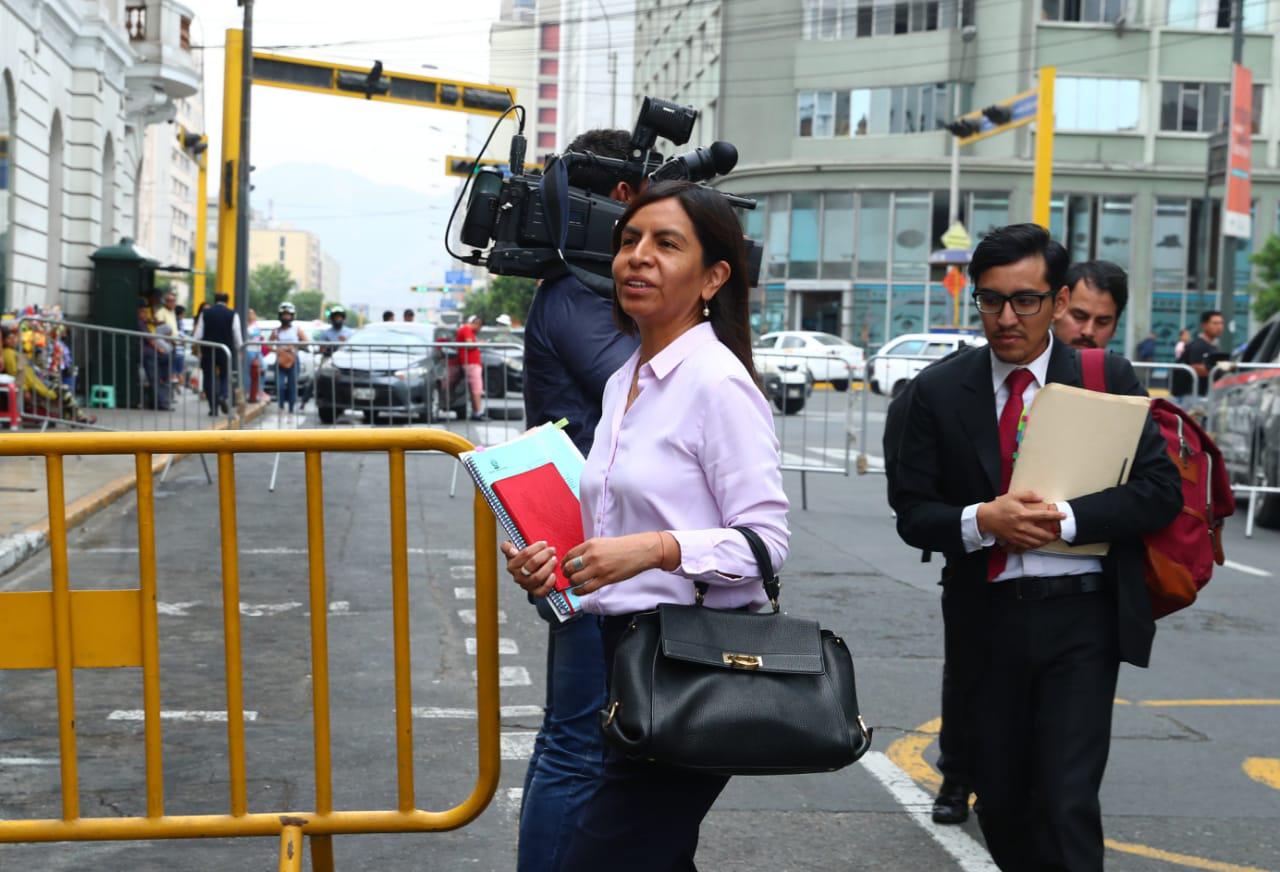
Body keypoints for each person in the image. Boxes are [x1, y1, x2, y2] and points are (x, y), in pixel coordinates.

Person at [504, 181, 790, 871]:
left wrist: (656, 551)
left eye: (666, 244)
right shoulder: (623, 379)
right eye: (629, 241)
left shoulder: (717, 384)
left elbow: (766, 545)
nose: (638, 257)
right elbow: (606, 529)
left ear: (714, 277)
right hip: (618, 661)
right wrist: (548, 567)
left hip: (689, 672)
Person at [892, 223, 1181, 871]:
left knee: (1066, 796)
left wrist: (1067, 519)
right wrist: (982, 520)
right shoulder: (939, 392)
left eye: (1025, 300)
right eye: (990, 300)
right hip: (985, 619)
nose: (1006, 317)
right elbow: (913, 512)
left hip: (1082, 617)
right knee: (1004, 801)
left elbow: (1160, 490)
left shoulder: (1104, 378)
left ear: (1056, 300)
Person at [512, 127, 642, 872]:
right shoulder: (576, 297)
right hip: (592, 548)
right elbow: (642, 387)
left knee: (590, 741)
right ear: (621, 197)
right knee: (577, 746)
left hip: (608, 545)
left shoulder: (583, 293)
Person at [2, 324, 94, 425]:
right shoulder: (8, 354)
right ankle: (78, 417)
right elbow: (15, 373)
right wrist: (24, 390)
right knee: (63, 390)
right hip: (34, 387)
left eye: (15, 337)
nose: (14, 340)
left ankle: (74, 417)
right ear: (4, 340)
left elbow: (25, 370)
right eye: (10, 338)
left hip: (38, 383)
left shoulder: (16, 352)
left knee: (62, 388)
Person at [1052, 259, 1126, 350]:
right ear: (1057, 309)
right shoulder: (1031, 361)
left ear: (1114, 328)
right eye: (1079, 316)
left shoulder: (1120, 364)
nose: (1088, 331)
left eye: (1102, 322)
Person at [193, 292, 242, 416]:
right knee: (225, 375)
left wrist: (196, 348)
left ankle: (213, 408)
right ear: (227, 301)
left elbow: (197, 335)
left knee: (208, 377)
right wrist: (239, 349)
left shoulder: (205, 313)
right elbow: (237, 335)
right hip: (226, 350)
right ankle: (223, 395)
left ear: (215, 300)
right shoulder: (233, 314)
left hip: (208, 350)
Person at [1173, 310, 1224, 403]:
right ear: (1204, 325)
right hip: (1191, 396)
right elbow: (1195, 368)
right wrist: (1219, 369)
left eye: (1221, 323)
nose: (1219, 326)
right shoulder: (1198, 345)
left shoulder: (1213, 345)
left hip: (1202, 394)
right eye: (1215, 323)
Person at [270, 301, 307, 416]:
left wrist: (294, 347)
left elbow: (306, 342)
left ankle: (291, 409)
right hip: (280, 361)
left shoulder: (297, 330)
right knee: (279, 385)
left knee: (292, 385)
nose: (286, 317)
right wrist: (278, 350)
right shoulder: (276, 331)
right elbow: (268, 345)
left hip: (293, 360)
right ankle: (281, 407)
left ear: (292, 316)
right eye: (284, 314)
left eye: (288, 315)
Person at [137, 297, 172, 411]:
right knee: (154, 378)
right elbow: (150, 340)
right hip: (148, 354)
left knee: (158, 376)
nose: (145, 314)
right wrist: (160, 349)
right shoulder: (139, 323)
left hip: (151, 353)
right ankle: (161, 403)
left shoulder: (144, 322)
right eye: (143, 312)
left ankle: (161, 399)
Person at [453, 314, 485, 421]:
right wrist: (479, 343)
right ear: (477, 324)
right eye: (479, 326)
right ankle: (478, 412)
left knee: (474, 389)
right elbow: (469, 345)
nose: (479, 329)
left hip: (470, 362)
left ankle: (476, 411)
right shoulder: (466, 329)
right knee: (477, 388)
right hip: (471, 363)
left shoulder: (466, 330)